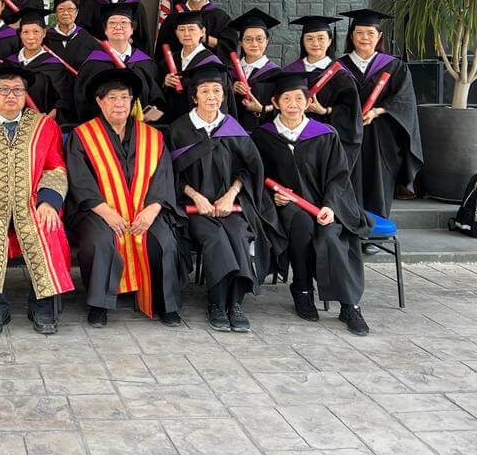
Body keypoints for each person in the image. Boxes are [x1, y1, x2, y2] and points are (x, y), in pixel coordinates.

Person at [0, 65, 73, 337]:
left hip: (32, 203)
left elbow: (55, 168)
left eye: (18, 90)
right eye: (4, 90)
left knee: (47, 228)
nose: (11, 95)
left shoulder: (44, 126)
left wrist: (48, 202)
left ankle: (41, 306)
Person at [252, 71, 373, 336]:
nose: (293, 104)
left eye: (299, 98)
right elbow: (256, 175)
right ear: (275, 102)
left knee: (331, 237)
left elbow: (339, 176)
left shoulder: (325, 134)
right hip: (287, 206)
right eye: (286, 98)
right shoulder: (263, 136)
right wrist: (272, 196)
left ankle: (349, 305)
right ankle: (303, 289)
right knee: (301, 225)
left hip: (326, 205)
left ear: (308, 102)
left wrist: (330, 205)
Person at [167, 64, 284, 333]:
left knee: (240, 235)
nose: (211, 96)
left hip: (230, 205)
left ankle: (236, 303)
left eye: (217, 91)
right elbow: (169, 174)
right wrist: (196, 197)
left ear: (223, 95)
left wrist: (230, 195)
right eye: (204, 91)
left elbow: (250, 169)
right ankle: (217, 303)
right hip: (193, 209)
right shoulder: (179, 130)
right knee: (216, 238)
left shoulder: (233, 128)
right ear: (194, 96)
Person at [65, 68, 186, 327]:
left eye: (124, 97)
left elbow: (163, 177)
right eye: (111, 98)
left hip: (145, 208)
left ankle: (165, 303)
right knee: (100, 240)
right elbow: (80, 181)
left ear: (132, 102)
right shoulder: (83, 136)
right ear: (100, 102)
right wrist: (106, 212)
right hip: (97, 210)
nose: (119, 103)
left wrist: (152, 210)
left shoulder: (152, 137)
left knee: (163, 239)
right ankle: (99, 304)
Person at [337, 9, 423, 221]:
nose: (364, 37)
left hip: (381, 136)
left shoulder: (394, 65)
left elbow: (404, 99)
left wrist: (377, 111)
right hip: (347, 134)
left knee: (378, 182)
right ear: (351, 36)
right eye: (359, 33)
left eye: (370, 33)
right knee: (348, 179)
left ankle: (376, 229)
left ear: (379, 36)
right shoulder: (338, 66)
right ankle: (351, 226)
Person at [284, 16, 363, 204]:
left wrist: (325, 111)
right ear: (303, 41)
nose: (315, 43)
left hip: (327, 140)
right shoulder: (290, 72)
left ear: (329, 41)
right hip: (294, 137)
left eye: (321, 38)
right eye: (309, 38)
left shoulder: (341, 75)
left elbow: (352, 114)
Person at [74, 3, 164, 123]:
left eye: (123, 22)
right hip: (102, 129)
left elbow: (157, 99)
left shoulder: (145, 63)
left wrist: (149, 116)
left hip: (140, 128)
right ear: (105, 30)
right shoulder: (93, 64)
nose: (118, 27)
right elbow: (82, 102)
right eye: (112, 23)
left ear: (132, 29)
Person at [158, 10, 233, 125]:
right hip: (172, 125)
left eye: (191, 29)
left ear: (202, 32)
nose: (186, 34)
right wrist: (165, 83)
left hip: (199, 126)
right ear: (176, 32)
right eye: (181, 29)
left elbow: (220, 103)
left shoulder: (213, 65)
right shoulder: (170, 60)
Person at [155, 0, 238, 62]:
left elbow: (229, 48)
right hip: (179, 68)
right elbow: (162, 50)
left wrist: (202, 37)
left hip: (210, 68)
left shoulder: (220, 17)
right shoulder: (173, 18)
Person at [11, 7, 73, 122]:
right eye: (25, 32)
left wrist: (46, 119)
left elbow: (64, 101)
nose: (31, 37)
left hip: (42, 124)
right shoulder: (9, 64)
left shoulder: (55, 66)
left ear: (44, 33)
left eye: (36, 31)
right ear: (20, 34)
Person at [228, 8, 283, 133]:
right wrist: (230, 89)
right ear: (241, 42)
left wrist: (262, 109)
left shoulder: (277, 74)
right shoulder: (229, 72)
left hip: (264, 134)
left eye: (259, 39)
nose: (254, 44)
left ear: (267, 41)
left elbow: (285, 106)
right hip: (233, 133)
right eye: (248, 39)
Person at [43, 0, 99, 72]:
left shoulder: (86, 37)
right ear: (55, 13)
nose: (65, 13)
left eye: (70, 9)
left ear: (77, 12)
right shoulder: (45, 38)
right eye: (61, 9)